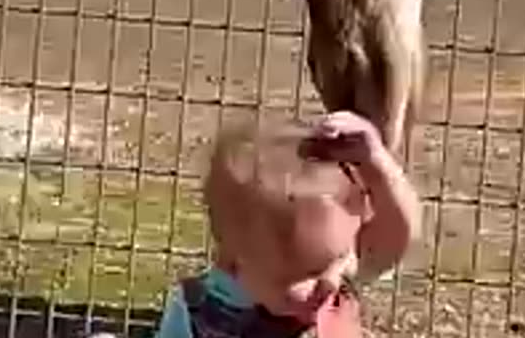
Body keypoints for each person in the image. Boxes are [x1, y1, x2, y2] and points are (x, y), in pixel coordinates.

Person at [153, 110, 421, 337]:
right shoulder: (198, 318)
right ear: (235, 264)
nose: (329, 283)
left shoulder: (334, 283)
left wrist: (377, 162)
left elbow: (398, 234)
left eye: (339, 259)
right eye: (308, 273)